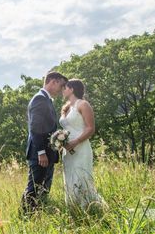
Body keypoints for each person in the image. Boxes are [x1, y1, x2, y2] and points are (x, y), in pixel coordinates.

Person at [21, 71, 68, 214]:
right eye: (60, 85)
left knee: (43, 188)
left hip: (48, 154)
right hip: (40, 154)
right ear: (52, 81)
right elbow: (35, 128)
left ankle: (38, 216)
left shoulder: (46, 100)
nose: (61, 90)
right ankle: (25, 217)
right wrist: (41, 152)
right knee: (34, 188)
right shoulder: (39, 99)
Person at [60, 79, 104, 211]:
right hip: (67, 150)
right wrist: (60, 140)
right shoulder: (66, 108)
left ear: (72, 89)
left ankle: (90, 209)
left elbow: (90, 128)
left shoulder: (83, 105)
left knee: (81, 178)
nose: (63, 90)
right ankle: (74, 209)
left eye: (65, 88)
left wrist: (76, 142)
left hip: (81, 147)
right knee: (69, 179)